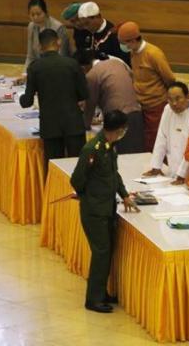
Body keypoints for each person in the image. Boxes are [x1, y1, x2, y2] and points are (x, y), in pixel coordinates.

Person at [70, 110, 139, 313]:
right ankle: (93, 299)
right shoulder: (93, 149)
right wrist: (88, 197)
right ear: (118, 130)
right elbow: (76, 180)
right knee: (101, 253)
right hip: (94, 211)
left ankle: (101, 292)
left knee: (106, 252)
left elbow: (113, 174)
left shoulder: (109, 147)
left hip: (107, 208)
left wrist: (124, 195)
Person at [19, 29, 88, 172]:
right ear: (58, 42)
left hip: (50, 127)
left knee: (54, 169)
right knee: (78, 168)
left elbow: (27, 102)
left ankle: (54, 194)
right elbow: (84, 94)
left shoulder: (35, 67)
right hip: (74, 124)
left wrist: (21, 98)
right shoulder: (72, 64)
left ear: (40, 46)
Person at [118, 21, 176, 152]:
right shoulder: (133, 52)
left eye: (123, 42)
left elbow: (170, 78)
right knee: (145, 140)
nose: (122, 46)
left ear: (133, 40)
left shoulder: (153, 54)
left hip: (157, 105)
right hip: (142, 105)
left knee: (155, 142)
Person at [77, 49, 144, 153]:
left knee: (122, 158)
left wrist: (85, 125)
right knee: (136, 155)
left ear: (83, 68)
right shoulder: (117, 62)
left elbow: (90, 105)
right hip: (137, 113)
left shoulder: (92, 75)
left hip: (118, 119)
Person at [144, 82, 189, 183]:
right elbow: (161, 137)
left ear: (187, 97)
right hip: (172, 171)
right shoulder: (167, 109)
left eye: (178, 98)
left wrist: (182, 175)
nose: (174, 103)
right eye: (170, 99)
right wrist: (156, 166)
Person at [24, 0, 70, 69]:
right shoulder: (31, 27)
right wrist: (26, 73)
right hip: (39, 68)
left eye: (38, 14)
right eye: (32, 15)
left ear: (46, 12)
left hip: (57, 68)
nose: (35, 17)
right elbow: (30, 56)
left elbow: (62, 56)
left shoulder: (58, 27)